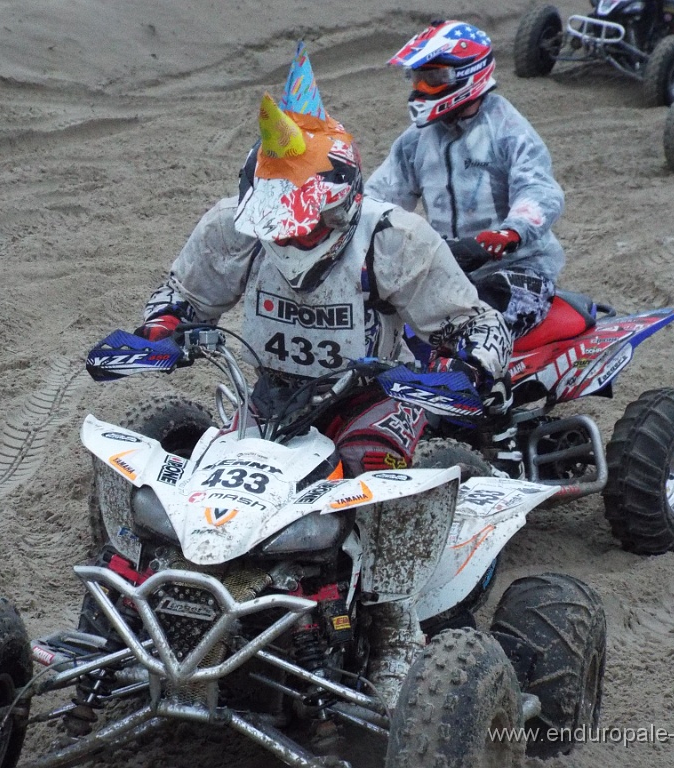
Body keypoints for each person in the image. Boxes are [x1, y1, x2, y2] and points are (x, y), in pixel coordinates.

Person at [132, 45, 512, 705]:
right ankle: (148, 615)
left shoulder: (395, 240)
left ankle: (394, 636)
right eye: (277, 221)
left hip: (373, 397)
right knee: (200, 487)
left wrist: (466, 366)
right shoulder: (236, 228)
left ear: (342, 205)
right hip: (270, 394)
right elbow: (181, 300)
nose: (288, 236)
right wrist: (162, 332)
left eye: (302, 223)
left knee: (377, 491)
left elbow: (477, 326)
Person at [366, 20, 566, 344]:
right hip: (448, 269)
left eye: (433, 79)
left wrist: (504, 235)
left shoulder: (508, 129)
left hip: (521, 272)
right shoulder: (415, 141)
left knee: (468, 331)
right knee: (374, 312)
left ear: (468, 74)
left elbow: (540, 191)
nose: (420, 89)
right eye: (417, 79)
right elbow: (380, 195)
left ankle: (486, 392)